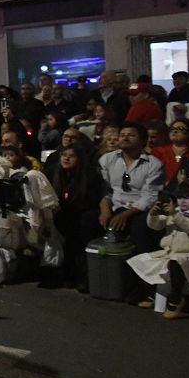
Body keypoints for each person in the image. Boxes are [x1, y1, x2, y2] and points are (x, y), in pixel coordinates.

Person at [128, 181, 189, 319]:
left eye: (188, 198)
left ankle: (175, 299)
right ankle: (152, 294)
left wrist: (175, 214)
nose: (183, 201)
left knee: (176, 261)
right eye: (180, 198)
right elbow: (155, 226)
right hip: (170, 253)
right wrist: (154, 214)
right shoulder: (175, 213)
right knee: (141, 260)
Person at [97, 122, 165, 259]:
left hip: (139, 209)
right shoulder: (107, 159)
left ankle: (141, 271)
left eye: (131, 135)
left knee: (141, 226)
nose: (125, 138)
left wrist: (125, 215)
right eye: (122, 135)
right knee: (87, 221)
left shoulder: (154, 164)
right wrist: (105, 209)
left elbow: (150, 196)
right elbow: (107, 190)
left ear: (143, 140)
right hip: (115, 205)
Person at [49, 144, 106, 291]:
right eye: (64, 155)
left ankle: (83, 278)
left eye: (71, 156)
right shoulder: (56, 174)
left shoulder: (90, 176)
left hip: (84, 214)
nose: (66, 158)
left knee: (80, 231)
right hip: (66, 214)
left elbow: (90, 201)